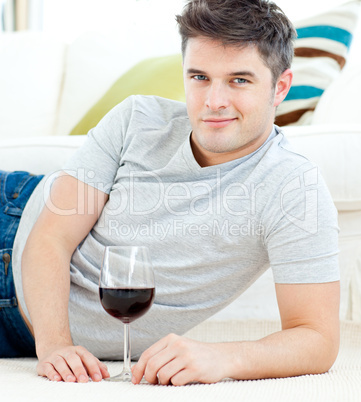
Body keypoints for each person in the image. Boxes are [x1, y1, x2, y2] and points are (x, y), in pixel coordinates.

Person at [0, 0, 340, 386]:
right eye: (199, 77)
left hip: (20, 330)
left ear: (279, 87)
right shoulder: (137, 120)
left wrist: (222, 358)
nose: (214, 102)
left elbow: (317, 338)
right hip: (12, 224)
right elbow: (51, 238)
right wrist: (56, 346)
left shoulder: (294, 189)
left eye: (239, 80)